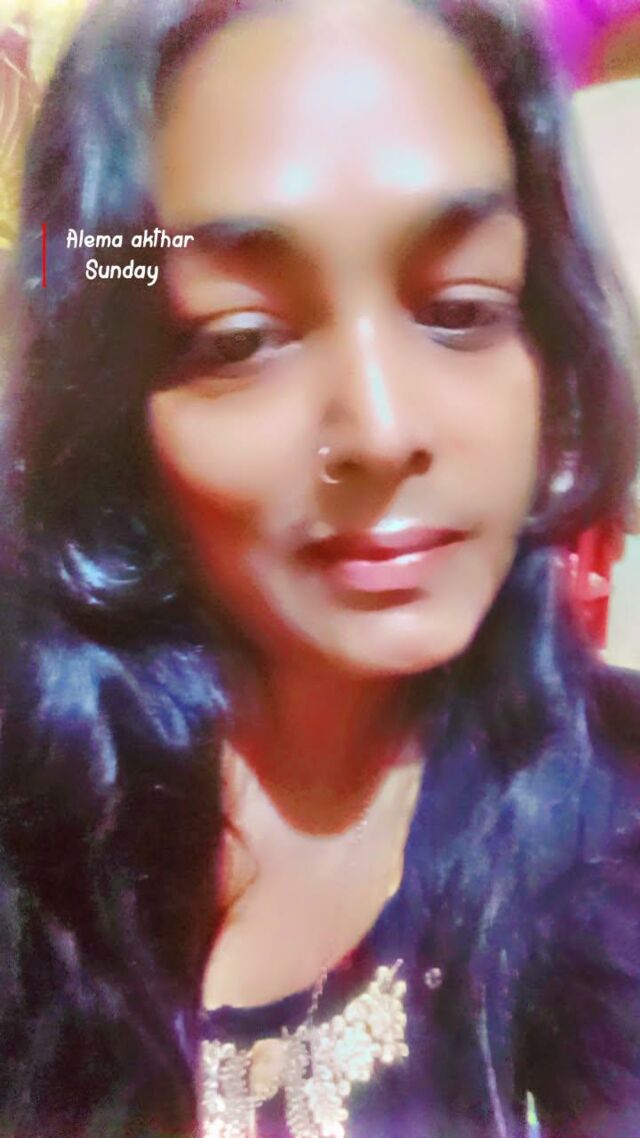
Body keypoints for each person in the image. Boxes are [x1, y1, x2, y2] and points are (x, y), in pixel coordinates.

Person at [1, 0, 640, 1135]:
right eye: (240, 338)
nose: (382, 429)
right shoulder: (33, 828)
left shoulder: (616, 806)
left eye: (460, 310)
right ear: (112, 402)